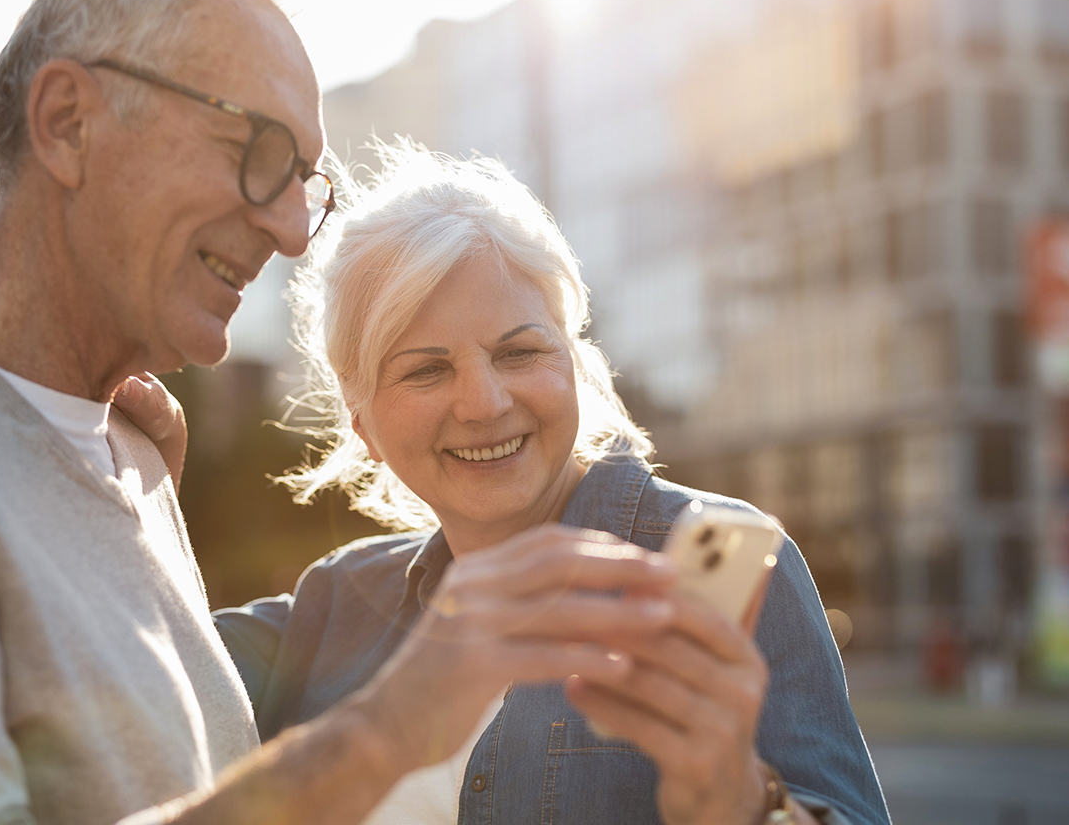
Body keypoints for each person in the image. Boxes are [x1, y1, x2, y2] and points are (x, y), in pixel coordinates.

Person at [0, 0, 684, 825]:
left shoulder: (128, 455)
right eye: (257, 153)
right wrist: (380, 737)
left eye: (306, 181)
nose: (293, 233)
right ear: (67, 124)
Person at [213, 145, 893, 825]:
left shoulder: (724, 570)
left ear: (572, 361)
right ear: (362, 423)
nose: (483, 403)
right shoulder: (336, 602)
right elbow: (118, 676)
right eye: (426, 370)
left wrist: (746, 805)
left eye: (519, 352)